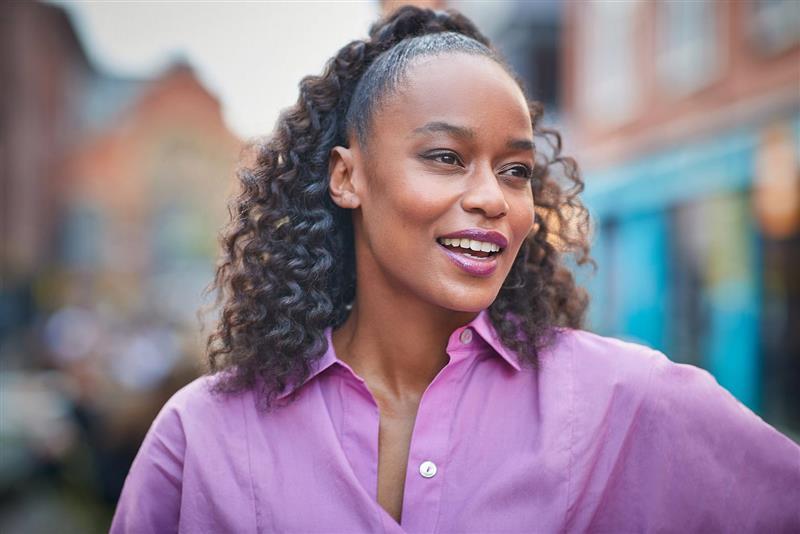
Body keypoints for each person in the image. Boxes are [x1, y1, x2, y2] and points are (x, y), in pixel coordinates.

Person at [110, 6, 800, 533]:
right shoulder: (203, 439)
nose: (492, 198)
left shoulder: (623, 402)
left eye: (517, 171)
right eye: (445, 157)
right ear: (347, 177)